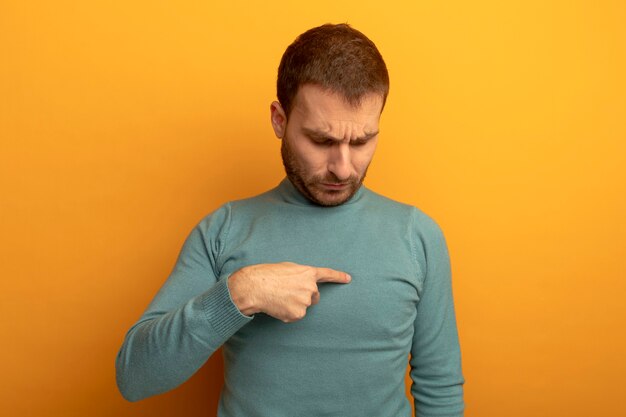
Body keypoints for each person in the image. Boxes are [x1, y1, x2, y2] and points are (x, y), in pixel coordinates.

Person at [116, 23, 465, 417]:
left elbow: (440, 388)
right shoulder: (223, 230)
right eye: (321, 141)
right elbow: (134, 377)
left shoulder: (417, 236)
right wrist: (239, 293)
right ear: (280, 120)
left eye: (363, 140)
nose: (343, 168)